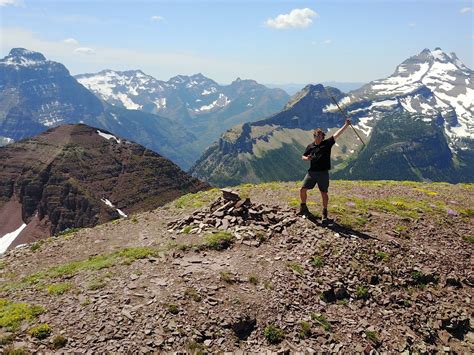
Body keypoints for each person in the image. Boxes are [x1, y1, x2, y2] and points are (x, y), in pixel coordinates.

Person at [298, 119, 351, 221]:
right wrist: (307, 158)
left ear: (322, 137)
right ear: (314, 137)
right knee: (302, 189)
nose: (317, 138)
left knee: (324, 193)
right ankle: (303, 207)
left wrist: (346, 125)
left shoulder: (327, 144)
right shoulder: (310, 146)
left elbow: (337, 134)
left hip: (323, 173)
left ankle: (324, 212)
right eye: (316, 136)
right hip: (312, 172)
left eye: (319, 136)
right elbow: (303, 156)